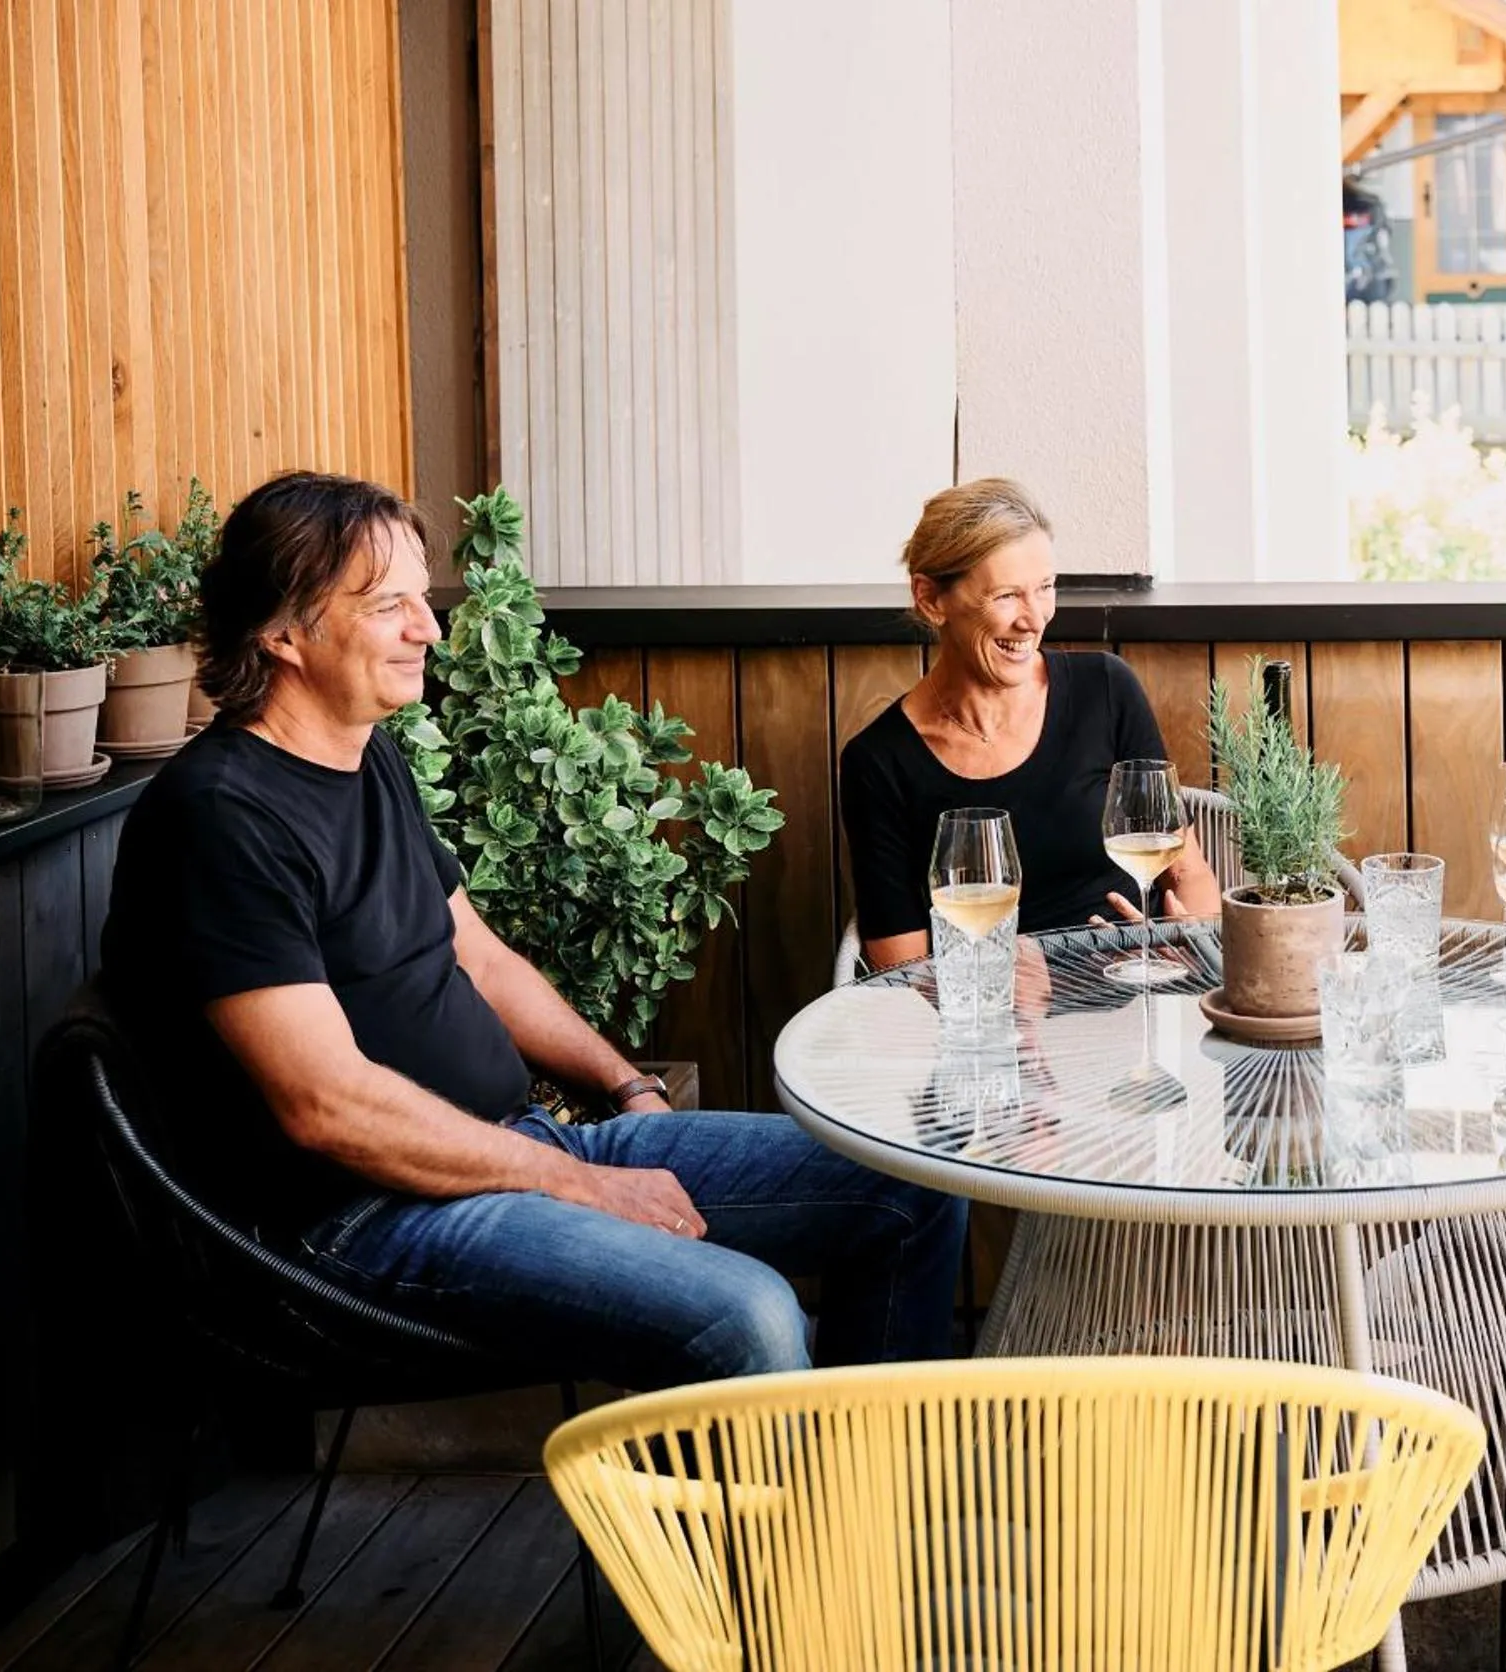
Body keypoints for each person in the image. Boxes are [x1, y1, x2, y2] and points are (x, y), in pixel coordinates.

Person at [101, 471, 966, 1391]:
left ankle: (862, 1502)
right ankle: (757, 1537)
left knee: (908, 1181)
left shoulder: (366, 757)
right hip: (359, 1221)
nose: (427, 629)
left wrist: (623, 1085)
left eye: (419, 600)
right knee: (744, 1314)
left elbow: (478, 956)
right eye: (387, 605)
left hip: (512, 1148)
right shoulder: (221, 818)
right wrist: (583, 1185)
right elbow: (329, 1106)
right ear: (280, 633)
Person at [840, 478, 1222, 972]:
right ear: (931, 600)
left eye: (1045, 588)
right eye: (1006, 596)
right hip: (994, 1032)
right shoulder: (879, 763)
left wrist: (1185, 936)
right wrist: (1004, 996)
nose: (1035, 618)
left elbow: (1188, 872)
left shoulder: (1105, 690)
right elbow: (901, 972)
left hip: (1139, 997)